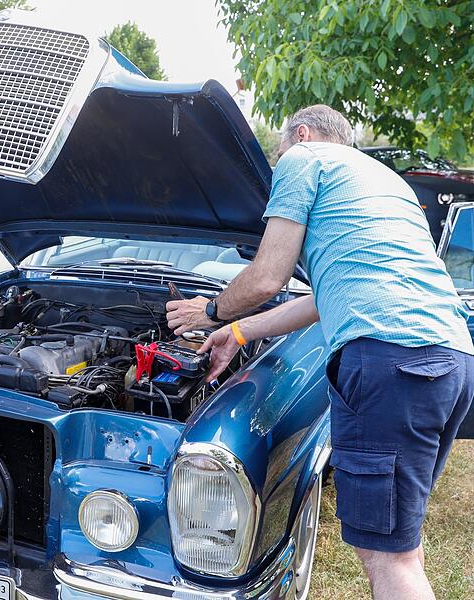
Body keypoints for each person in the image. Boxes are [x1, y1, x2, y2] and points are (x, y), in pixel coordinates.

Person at [166, 105, 473, 600]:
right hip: (452, 359)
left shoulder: (304, 159)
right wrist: (240, 333)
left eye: (279, 153)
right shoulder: (384, 182)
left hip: (390, 361)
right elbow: (318, 297)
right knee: (401, 546)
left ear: (301, 134)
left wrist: (213, 312)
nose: (279, 165)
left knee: (389, 561)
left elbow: (267, 277)